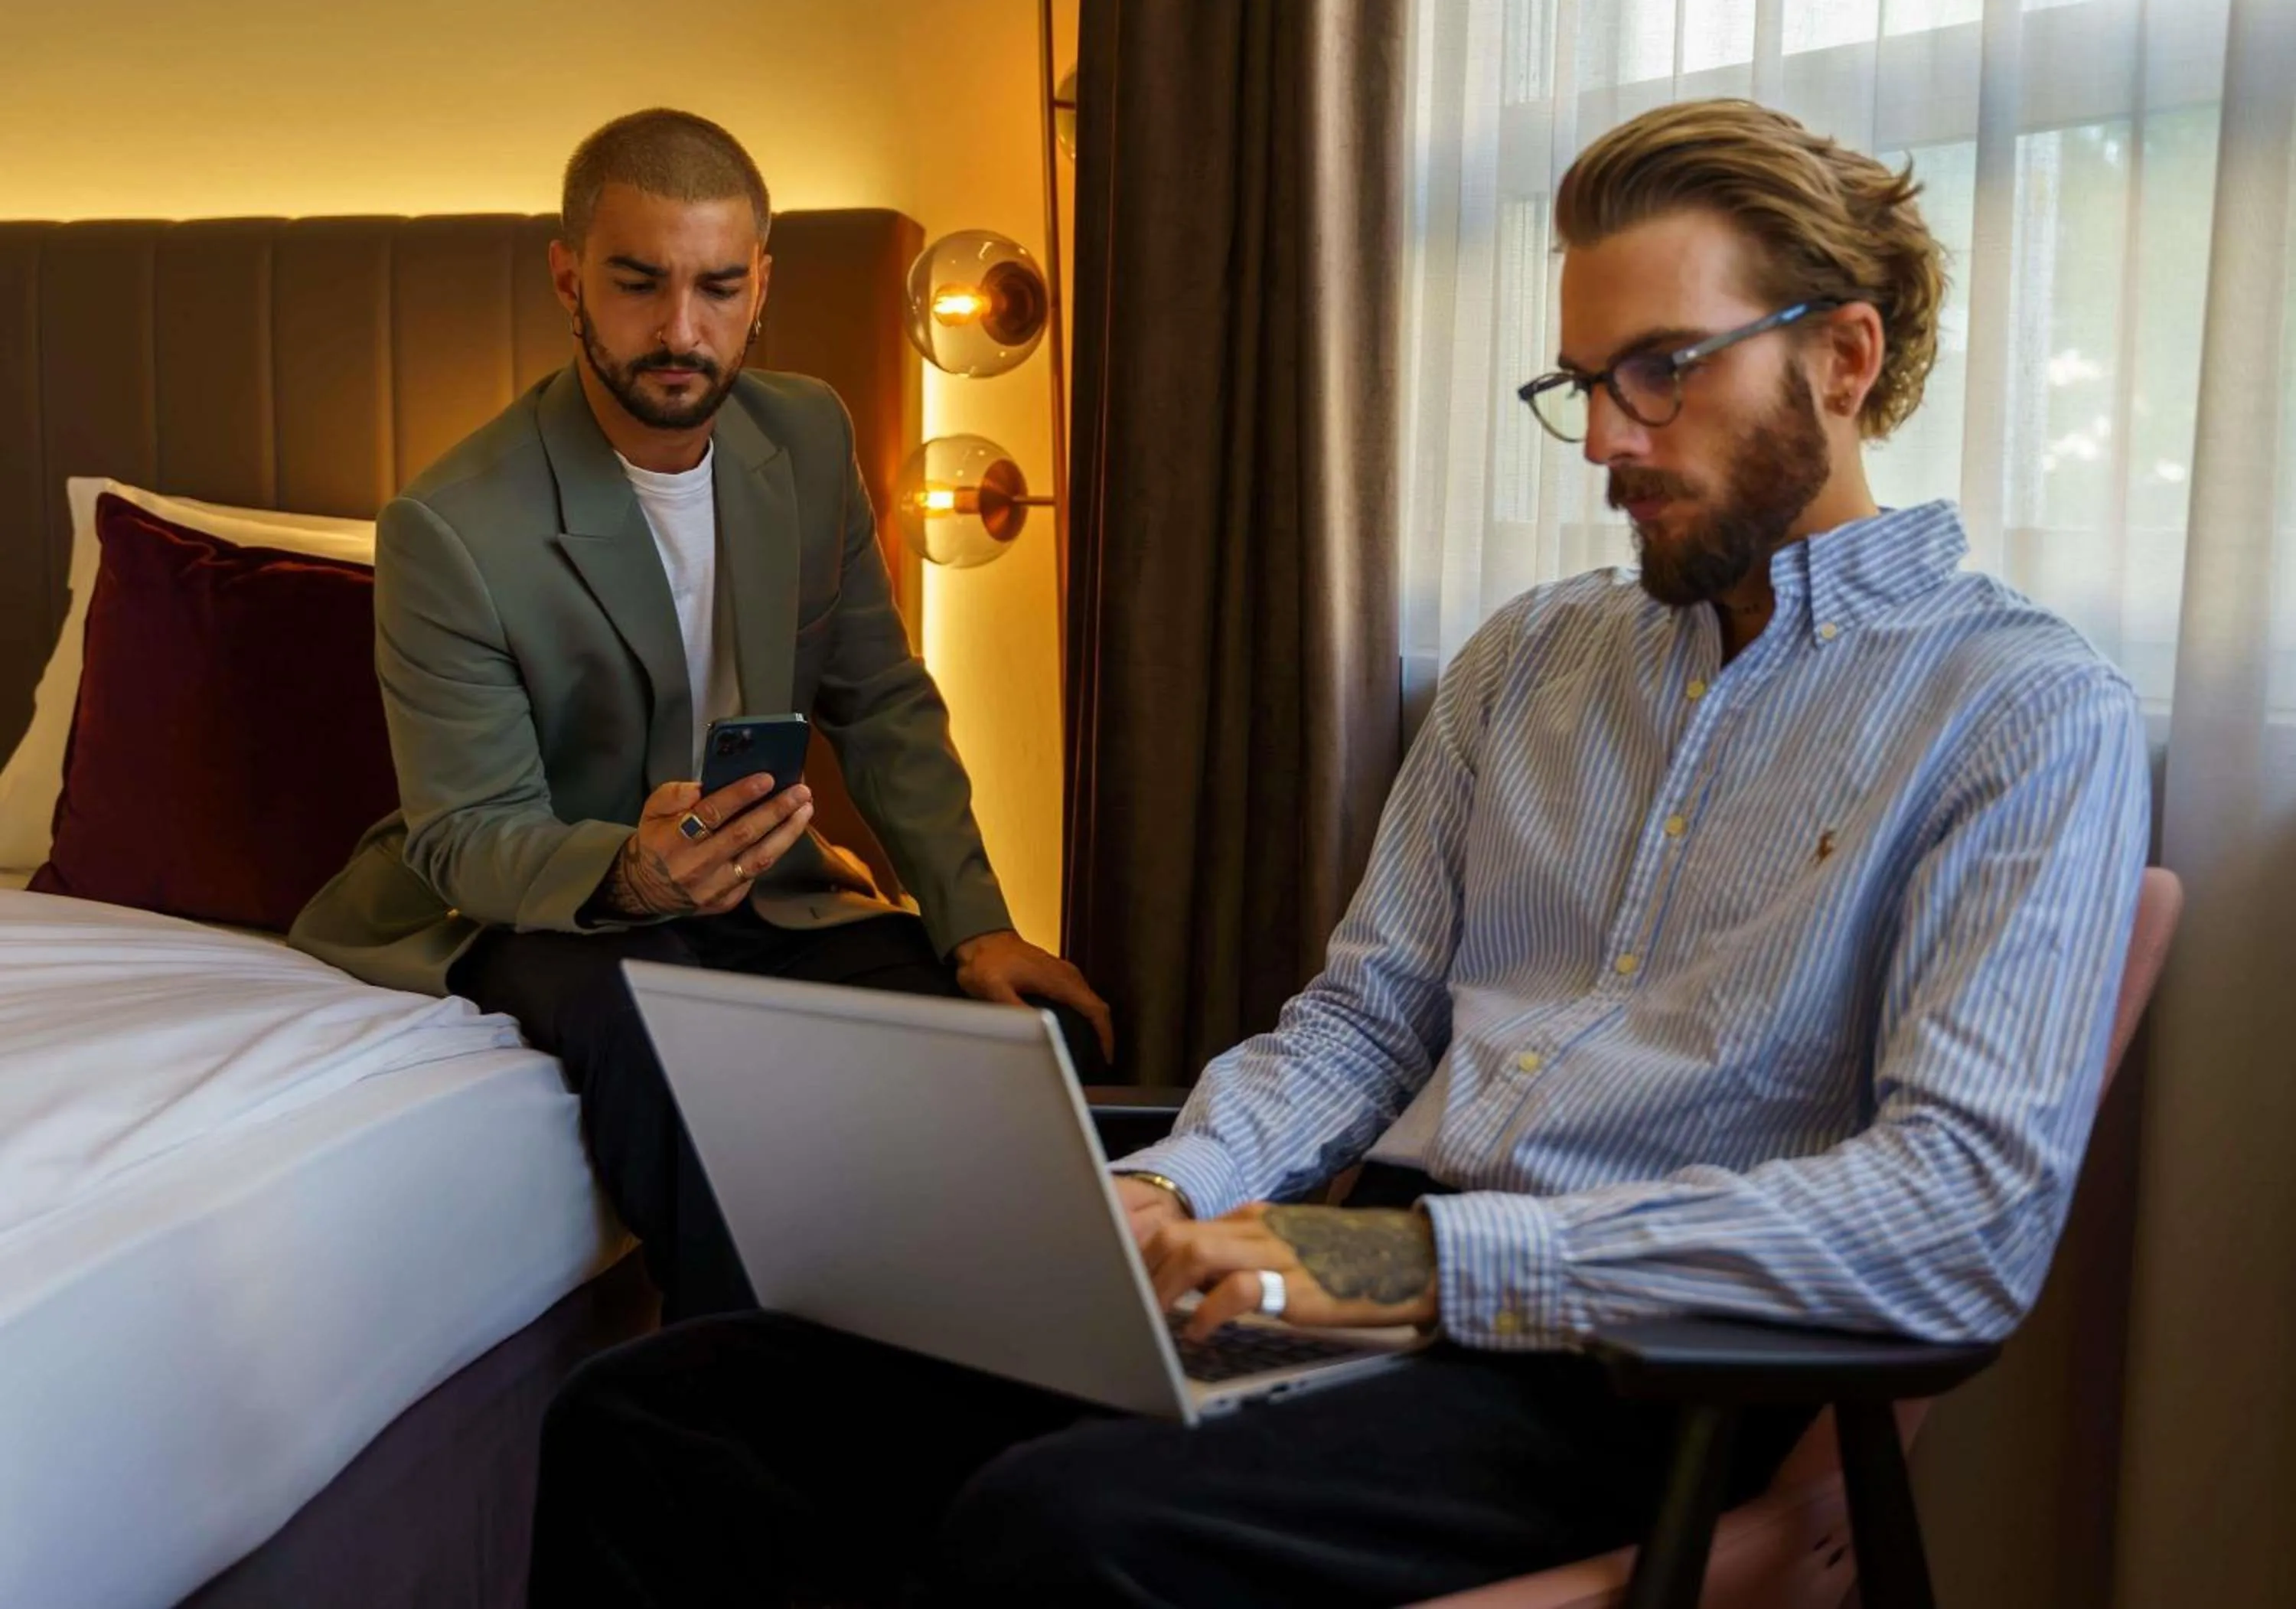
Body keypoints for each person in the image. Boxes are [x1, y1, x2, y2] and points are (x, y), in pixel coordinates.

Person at [525, 99, 2151, 1605]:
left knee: (1061, 1526)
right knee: (666, 1413)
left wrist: (1413, 1264)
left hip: (1634, 1374)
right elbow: (1364, 1027)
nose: (1604, 442)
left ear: (1845, 358)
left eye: (1662, 370)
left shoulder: (2020, 714)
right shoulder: (1529, 660)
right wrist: (1157, 1202)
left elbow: (1960, 1224)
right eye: (1582, 384)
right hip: (1335, 1287)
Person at [291, 108, 1110, 1323]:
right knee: (681, 1040)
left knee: (1029, 1047)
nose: (683, 330)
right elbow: (464, 832)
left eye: (720, 287)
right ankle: (751, 1414)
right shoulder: (450, 526)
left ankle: (991, 1416)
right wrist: (631, 868)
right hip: (551, 907)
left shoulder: (812, 433)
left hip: (767, 887)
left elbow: (881, 701)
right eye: (639, 284)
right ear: (569, 277)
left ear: (763, 282)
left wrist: (976, 923)